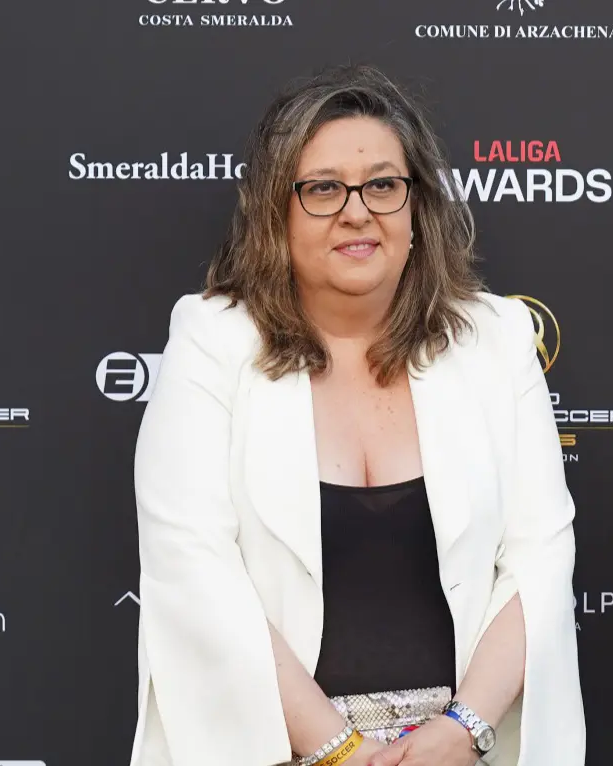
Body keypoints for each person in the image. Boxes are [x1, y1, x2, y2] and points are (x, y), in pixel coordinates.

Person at [128, 64, 585, 766]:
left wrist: (463, 730)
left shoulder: (495, 339)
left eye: (381, 185)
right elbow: (194, 569)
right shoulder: (212, 340)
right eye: (322, 188)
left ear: (416, 207)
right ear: (276, 213)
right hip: (280, 751)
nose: (357, 211)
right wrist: (338, 750)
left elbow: (541, 558)